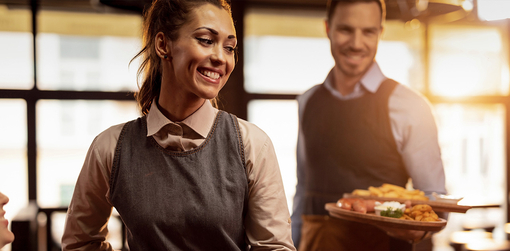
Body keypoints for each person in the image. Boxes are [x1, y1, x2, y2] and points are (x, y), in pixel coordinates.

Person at [61, 0, 295, 250]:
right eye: (206, 40)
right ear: (163, 44)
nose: (220, 57)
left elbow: (274, 247)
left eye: (229, 47)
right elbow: (80, 243)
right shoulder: (110, 148)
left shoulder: (252, 145)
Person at [290, 0, 447, 250]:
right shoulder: (308, 101)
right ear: (328, 28)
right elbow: (304, 191)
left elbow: (435, 201)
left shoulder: (410, 106)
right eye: (345, 30)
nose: (356, 43)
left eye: (368, 31)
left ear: (380, 33)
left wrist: (415, 231)